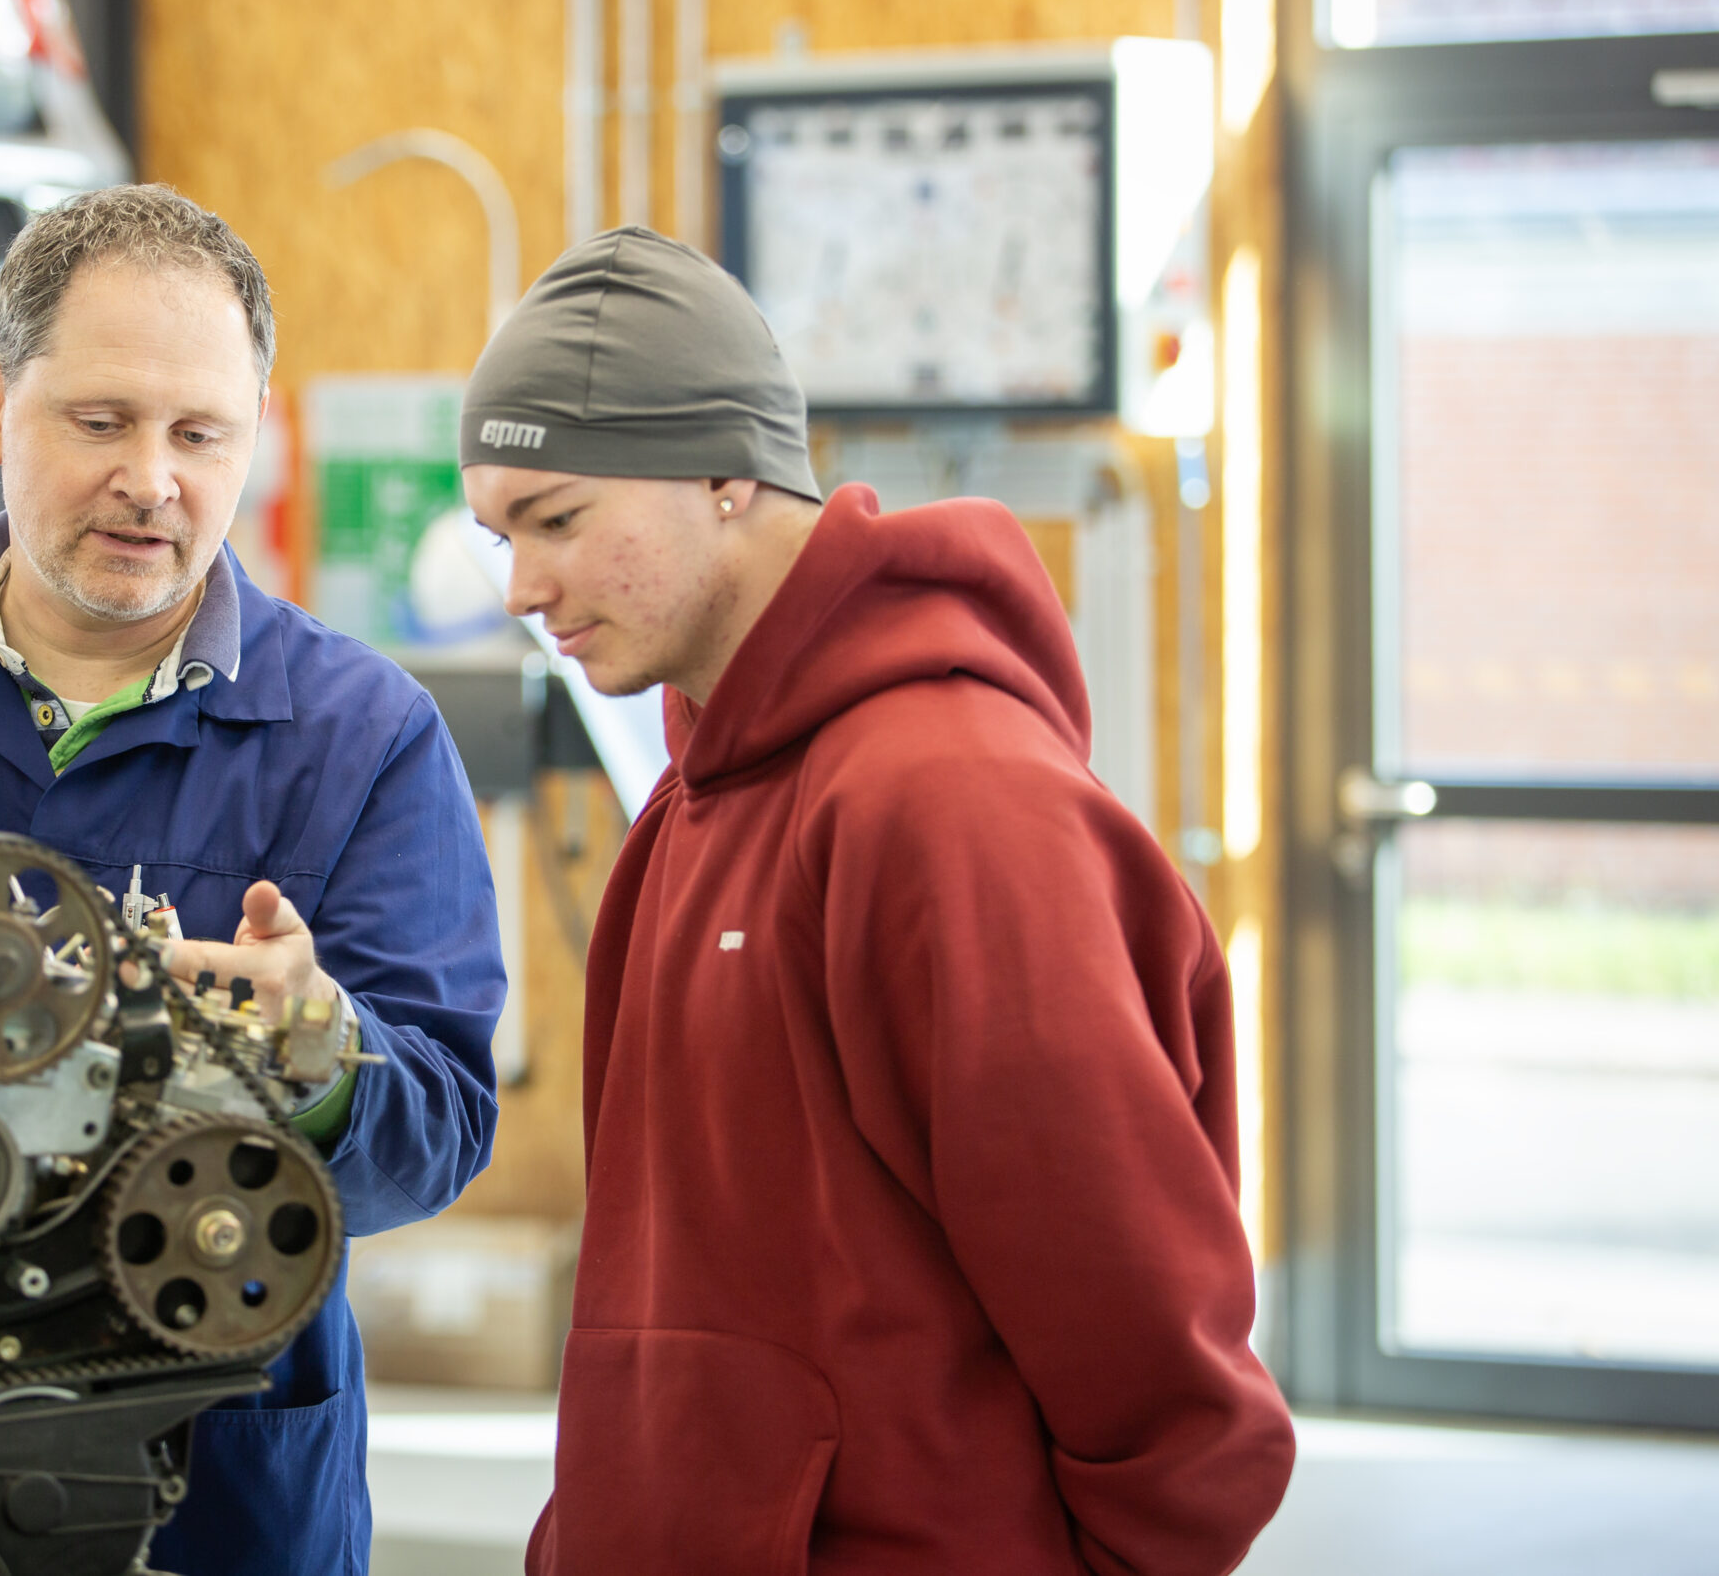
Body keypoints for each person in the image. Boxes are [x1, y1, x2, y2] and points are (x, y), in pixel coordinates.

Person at [459, 225, 1295, 1575]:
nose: (522, 587)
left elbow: (1139, 1321)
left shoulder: (952, 802)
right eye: (501, 534)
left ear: (725, 474)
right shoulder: (691, 808)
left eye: (558, 520)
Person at [0, 184, 505, 1575]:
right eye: (102, 421)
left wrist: (318, 1052)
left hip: (211, 1473)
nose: (152, 480)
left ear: (255, 436)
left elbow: (445, 1126)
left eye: (199, 433)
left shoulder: (363, 737)